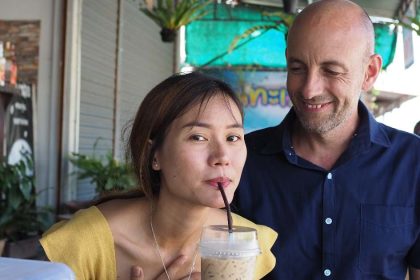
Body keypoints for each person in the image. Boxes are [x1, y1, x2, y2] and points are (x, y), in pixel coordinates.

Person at [232, 0, 420, 279]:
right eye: (297, 68)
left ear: (369, 72)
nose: (309, 89)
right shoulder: (240, 159)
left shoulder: (413, 162)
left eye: (331, 71)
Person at [40, 72, 277, 279]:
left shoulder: (248, 245)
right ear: (154, 154)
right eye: (198, 137)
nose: (222, 156)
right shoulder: (87, 242)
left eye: (233, 137)